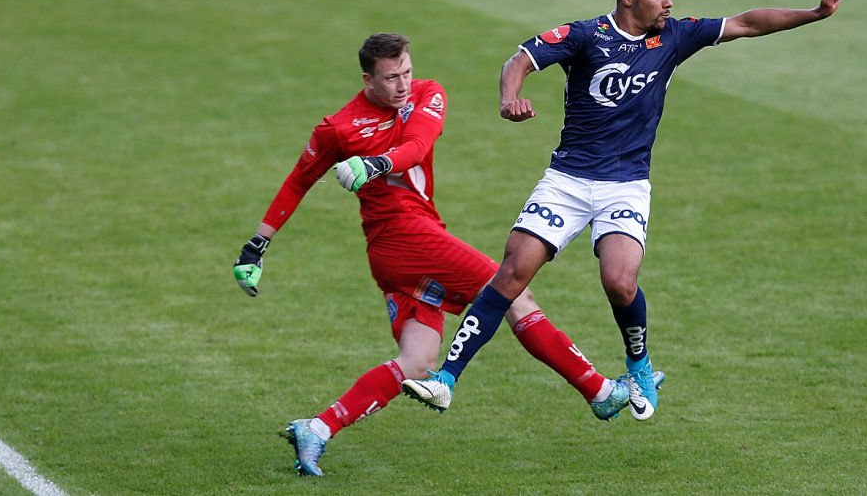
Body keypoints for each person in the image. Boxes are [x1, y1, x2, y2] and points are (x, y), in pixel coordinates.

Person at [339, 0, 853, 422]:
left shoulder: (675, 36)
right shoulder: (584, 37)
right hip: (568, 180)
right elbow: (519, 58)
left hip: (626, 185)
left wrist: (815, 12)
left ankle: (639, 365)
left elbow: (745, 22)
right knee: (513, 270)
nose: (668, 2)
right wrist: (508, 99)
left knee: (620, 282)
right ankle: (446, 380)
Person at [232, 33, 641, 478]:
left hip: (413, 239)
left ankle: (318, 427)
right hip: (401, 240)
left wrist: (374, 164)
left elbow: (417, 147)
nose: (402, 84)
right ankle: (600, 392)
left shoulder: (428, 93)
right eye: (390, 78)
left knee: (417, 360)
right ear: (368, 79)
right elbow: (298, 180)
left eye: (406, 71)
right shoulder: (339, 128)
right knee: (512, 292)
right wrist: (257, 245)